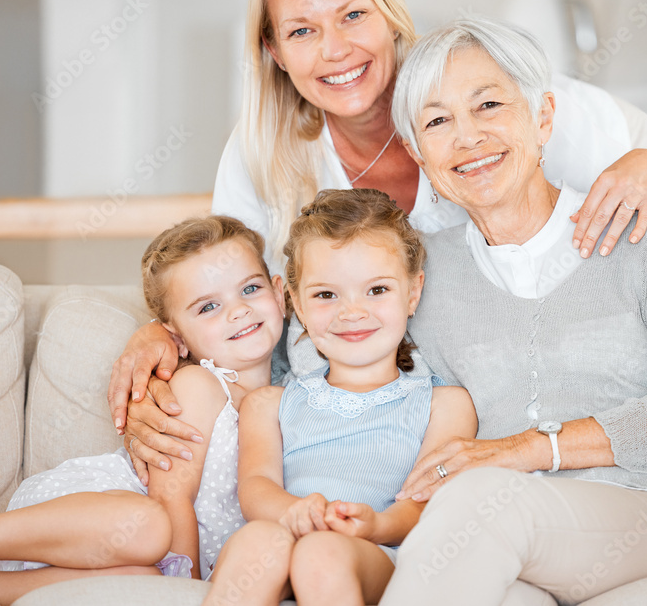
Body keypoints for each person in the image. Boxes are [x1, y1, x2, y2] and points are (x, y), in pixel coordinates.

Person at [108, 0, 647, 478]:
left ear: (391, 14)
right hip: (367, 432)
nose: (335, 51)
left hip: (505, 425)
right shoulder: (261, 152)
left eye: (353, 15)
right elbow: (223, 290)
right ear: (275, 52)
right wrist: (163, 335)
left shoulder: (488, 91)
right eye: (301, 31)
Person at [369, 16, 647, 605]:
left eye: (489, 104)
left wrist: (522, 449)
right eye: (439, 121)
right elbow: (327, 345)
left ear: (543, 117)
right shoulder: (421, 274)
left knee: (481, 502)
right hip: (521, 536)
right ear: (421, 155)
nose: (467, 138)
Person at [0, 216, 286, 604]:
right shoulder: (201, 385)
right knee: (148, 528)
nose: (239, 310)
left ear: (280, 293)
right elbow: (171, 494)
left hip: (140, 553)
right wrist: (185, 586)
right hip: (104, 516)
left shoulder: (288, 397)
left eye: (250, 288)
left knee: (141, 574)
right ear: (173, 334)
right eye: (209, 306)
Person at [202, 188, 477, 606]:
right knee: (259, 538)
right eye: (326, 295)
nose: (352, 312)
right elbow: (257, 486)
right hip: (285, 532)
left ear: (413, 292)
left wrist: (375, 525)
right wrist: (290, 512)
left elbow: (428, 504)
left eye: (377, 290)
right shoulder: (269, 404)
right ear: (295, 302)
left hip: (377, 552)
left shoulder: (444, 404)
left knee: (321, 552)